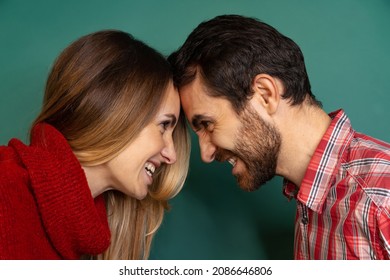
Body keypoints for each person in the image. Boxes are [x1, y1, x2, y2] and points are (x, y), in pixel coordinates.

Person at [168, 14, 390, 260]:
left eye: (208, 124)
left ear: (265, 94)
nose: (206, 154)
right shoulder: (313, 199)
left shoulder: (381, 200)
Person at [0, 30, 190, 260]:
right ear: (116, 113)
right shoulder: (7, 187)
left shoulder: (81, 230)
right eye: (163, 125)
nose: (172, 155)